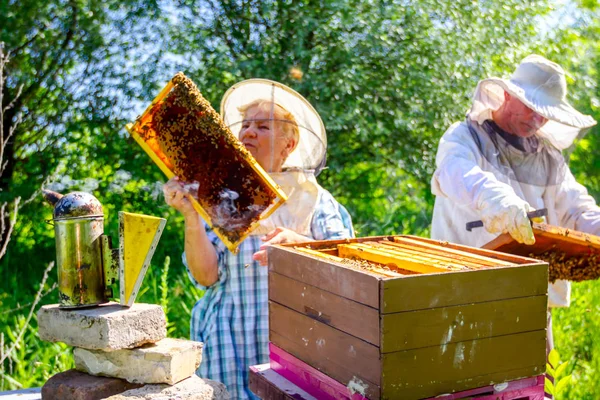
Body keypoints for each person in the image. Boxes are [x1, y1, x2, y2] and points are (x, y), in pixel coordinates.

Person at [163, 79, 354, 399]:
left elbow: (352, 267)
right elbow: (205, 275)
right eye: (246, 124)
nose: (248, 131)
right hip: (227, 348)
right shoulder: (220, 194)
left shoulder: (315, 200)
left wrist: (298, 243)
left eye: (263, 126)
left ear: (289, 144)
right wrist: (191, 215)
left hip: (297, 354)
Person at [430, 54, 600, 352]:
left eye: (546, 113)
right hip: (462, 295)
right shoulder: (464, 136)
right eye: (532, 108)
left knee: (533, 388)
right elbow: (457, 173)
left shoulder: (549, 157)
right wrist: (500, 202)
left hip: (530, 299)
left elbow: (576, 208)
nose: (538, 119)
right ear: (507, 94)